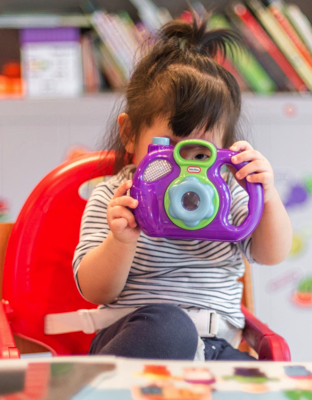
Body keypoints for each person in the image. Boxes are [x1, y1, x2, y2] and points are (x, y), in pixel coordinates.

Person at [72, 13, 292, 361]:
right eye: (170, 147)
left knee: (263, 384)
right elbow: (94, 289)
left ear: (223, 149)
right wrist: (120, 240)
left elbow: (271, 253)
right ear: (130, 134)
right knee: (170, 327)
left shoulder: (227, 194)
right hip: (140, 339)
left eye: (199, 152)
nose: (185, 168)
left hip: (216, 346)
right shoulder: (117, 198)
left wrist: (266, 195)